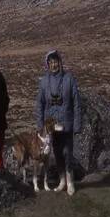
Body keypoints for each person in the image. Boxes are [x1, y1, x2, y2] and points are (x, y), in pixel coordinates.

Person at [35, 49, 81, 195]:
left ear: (60, 62)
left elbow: (76, 103)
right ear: (47, 65)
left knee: (68, 152)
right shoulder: (44, 82)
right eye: (51, 62)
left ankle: (70, 181)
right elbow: (40, 104)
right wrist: (40, 124)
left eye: (56, 62)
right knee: (57, 152)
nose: (54, 65)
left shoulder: (69, 78)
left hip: (66, 122)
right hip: (51, 126)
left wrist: (77, 123)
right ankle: (62, 181)